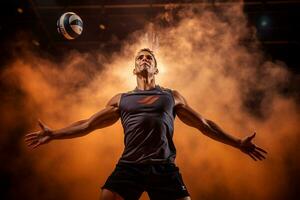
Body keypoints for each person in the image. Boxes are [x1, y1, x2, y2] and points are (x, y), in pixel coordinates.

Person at [25, 48, 267, 200]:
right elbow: (88, 124)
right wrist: (54, 134)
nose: (144, 59)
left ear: (156, 68)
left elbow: (204, 124)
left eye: (148, 57)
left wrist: (237, 143)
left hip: (164, 169)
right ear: (134, 68)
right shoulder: (121, 99)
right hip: (129, 168)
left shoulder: (171, 96)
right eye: (140, 57)